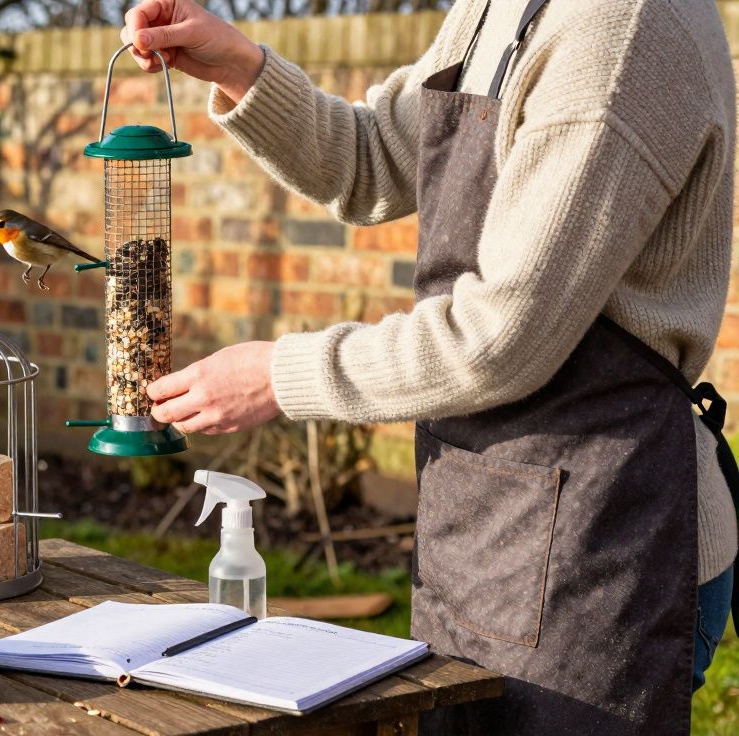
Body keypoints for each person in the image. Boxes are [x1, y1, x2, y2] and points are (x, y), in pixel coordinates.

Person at [121, 0, 739, 732]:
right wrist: (241, 68)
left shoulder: (624, 28)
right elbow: (375, 156)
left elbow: (500, 336)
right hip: (486, 527)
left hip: (609, 546)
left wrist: (278, 376)